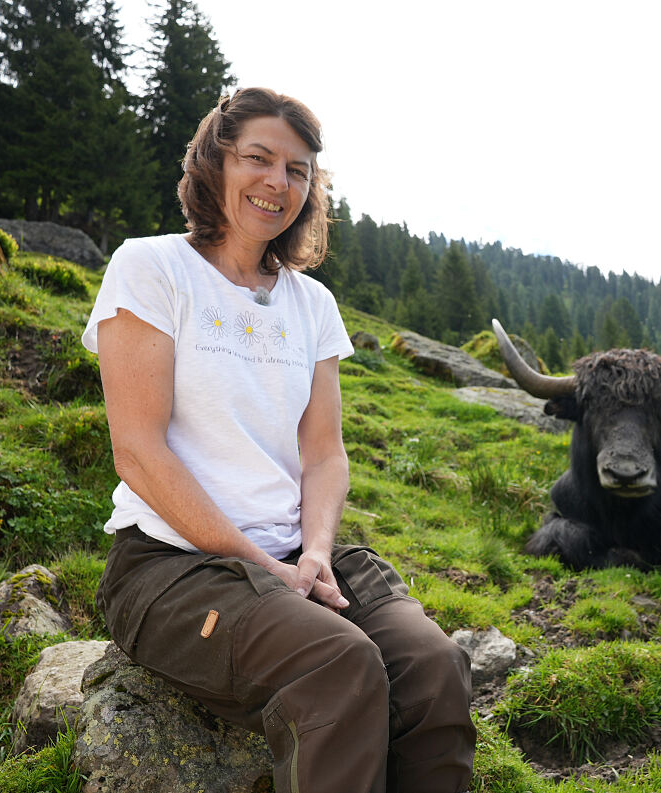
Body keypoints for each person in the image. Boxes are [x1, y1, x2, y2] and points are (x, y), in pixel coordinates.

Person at [81, 87, 476, 793]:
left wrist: (315, 553)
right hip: (173, 566)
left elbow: (323, 452)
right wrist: (260, 562)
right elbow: (137, 450)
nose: (277, 182)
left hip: (300, 555)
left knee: (432, 665)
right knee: (338, 663)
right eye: (258, 159)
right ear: (214, 163)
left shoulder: (311, 303)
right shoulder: (152, 268)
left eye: (297, 170)